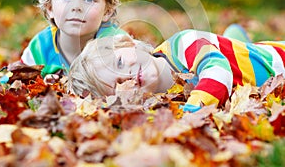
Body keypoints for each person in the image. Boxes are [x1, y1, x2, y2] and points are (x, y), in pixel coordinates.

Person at [68, 30, 285, 112]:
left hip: (278, 60)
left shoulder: (184, 43)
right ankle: (236, 36)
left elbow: (218, 70)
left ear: (127, 43)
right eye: (117, 86)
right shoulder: (158, 105)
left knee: (243, 53)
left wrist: (194, 108)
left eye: (119, 63)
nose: (128, 77)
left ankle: (237, 37)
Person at [17, 0, 127, 78]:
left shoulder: (118, 44)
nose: (76, 7)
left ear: (107, 12)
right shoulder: (41, 46)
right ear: (50, 8)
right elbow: (11, 84)